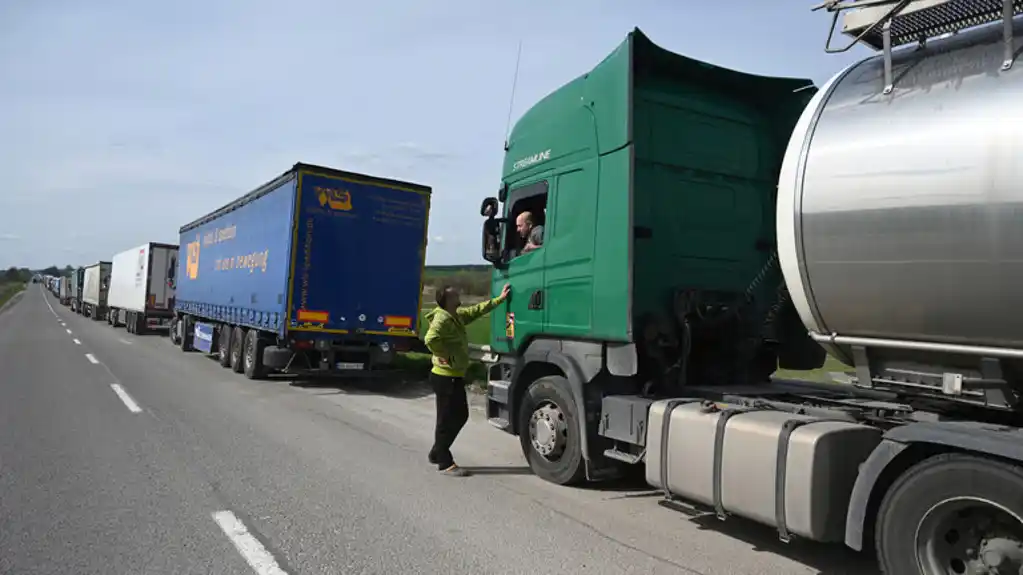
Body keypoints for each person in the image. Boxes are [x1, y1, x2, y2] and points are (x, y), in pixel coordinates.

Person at [423, 282, 511, 476]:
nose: (459, 295)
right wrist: (444, 354)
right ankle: (445, 463)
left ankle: (437, 452)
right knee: (446, 420)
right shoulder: (442, 319)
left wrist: (500, 299)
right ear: (447, 301)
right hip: (444, 377)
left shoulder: (455, 316)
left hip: (453, 376)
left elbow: (476, 310)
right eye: (455, 294)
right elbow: (430, 339)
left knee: (460, 416)